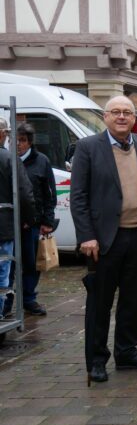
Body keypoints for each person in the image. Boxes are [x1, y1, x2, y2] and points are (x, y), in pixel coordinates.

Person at [70, 96, 137, 383]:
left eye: (128, 112)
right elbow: (79, 196)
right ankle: (97, 361)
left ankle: (126, 352)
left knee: (133, 300)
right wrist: (86, 236)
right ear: (105, 116)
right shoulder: (88, 148)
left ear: (135, 118)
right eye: (116, 112)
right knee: (100, 303)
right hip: (103, 240)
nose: (122, 117)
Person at [15, 123, 56, 316]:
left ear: (30, 142)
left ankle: (29, 298)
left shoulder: (41, 161)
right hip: (10, 223)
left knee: (32, 263)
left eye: (22, 140)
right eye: (15, 139)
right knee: (10, 263)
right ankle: (7, 300)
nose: (18, 144)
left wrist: (47, 221)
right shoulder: (8, 159)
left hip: (34, 223)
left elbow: (49, 194)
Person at [0, 119, 35, 318]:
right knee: (2, 272)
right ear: (2, 134)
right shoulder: (9, 158)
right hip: (4, 226)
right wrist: (29, 219)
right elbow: (24, 192)